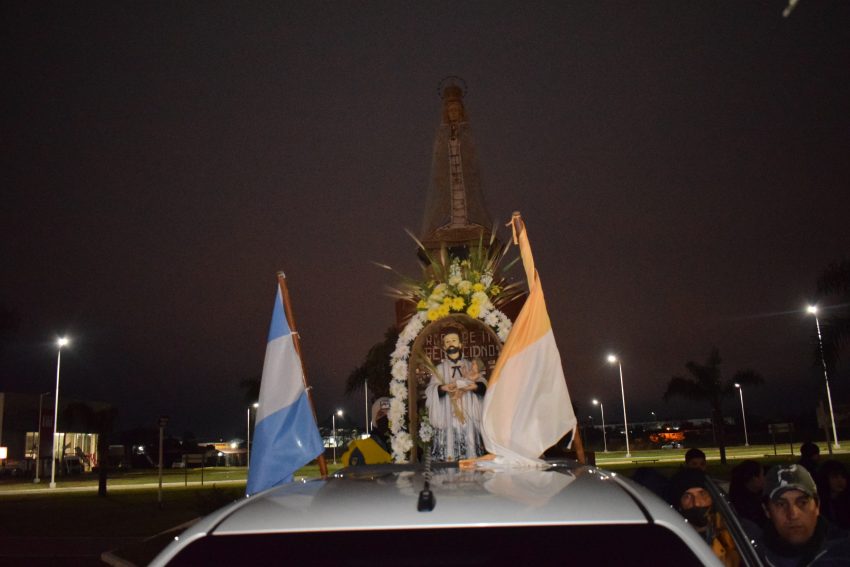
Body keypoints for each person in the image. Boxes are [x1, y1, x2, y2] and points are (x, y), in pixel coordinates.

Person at [747, 464, 850, 566]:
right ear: (767, 510)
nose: (793, 515)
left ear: (817, 505)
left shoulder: (843, 551)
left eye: (802, 503)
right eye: (781, 504)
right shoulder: (749, 554)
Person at [425, 328, 487, 461]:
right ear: (444, 346)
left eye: (453, 340)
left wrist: (475, 386)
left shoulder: (471, 365)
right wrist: (442, 388)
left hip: (468, 416)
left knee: (470, 452)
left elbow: (484, 386)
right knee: (449, 452)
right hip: (448, 417)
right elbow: (430, 391)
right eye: (447, 342)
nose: (450, 344)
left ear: (460, 345)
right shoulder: (439, 369)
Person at [669, 468, 741, 567]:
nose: (697, 503)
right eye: (687, 496)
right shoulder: (672, 539)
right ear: (679, 505)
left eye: (702, 494)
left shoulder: (732, 530)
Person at [340, 398, 392, 467]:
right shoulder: (361, 449)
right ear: (374, 420)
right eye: (381, 414)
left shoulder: (405, 443)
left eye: (390, 413)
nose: (386, 417)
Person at [729, 460, 767, 528]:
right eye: (762, 475)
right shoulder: (747, 505)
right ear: (754, 479)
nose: (764, 478)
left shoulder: (756, 495)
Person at [817, 460, 850, 530]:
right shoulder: (819, 503)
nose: (840, 480)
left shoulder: (846, 500)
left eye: (843, 477)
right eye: (835, 477)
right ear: (825, 479)